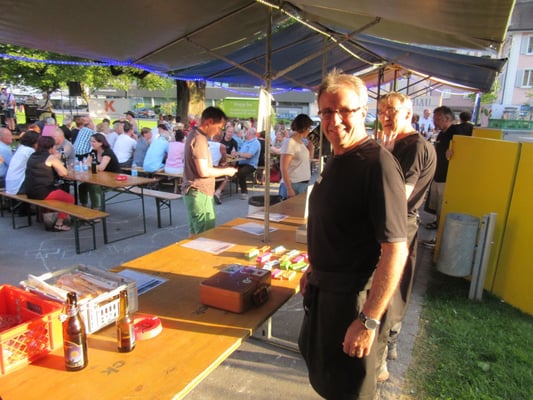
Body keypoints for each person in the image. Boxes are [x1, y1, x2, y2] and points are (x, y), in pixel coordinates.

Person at [298, 70, 408, 400]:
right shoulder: (338, 158)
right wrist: (313, 268)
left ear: (363, 112)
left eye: (345, 110)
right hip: (325, 291)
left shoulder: (378, 165)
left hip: (354, 301)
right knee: (328, 382)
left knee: (350, 390)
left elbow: (395, 250)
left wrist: (368, 321)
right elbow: (339, 226)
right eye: (327, 111)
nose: (335, 120)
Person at [375, 92, 436, 381]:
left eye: (393, 111)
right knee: (393, 287)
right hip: (395, 224)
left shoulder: (414, 146)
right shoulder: (397, 142)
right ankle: (390, 343)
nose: (386, 116)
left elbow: (399, 196)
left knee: (389, 288)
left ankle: (381, 357)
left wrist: (383, 155)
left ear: (408, 113)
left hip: (399, 226)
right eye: (381, 111)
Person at [181, 106, 237, 235]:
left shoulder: (195, 135)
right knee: (204, 236)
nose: (219, 132)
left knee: (195, 234)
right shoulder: (199, 139)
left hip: (195, 191)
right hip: (199, 192)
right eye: (219, 127)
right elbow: (204, 171)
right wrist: (226, 171)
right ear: (209, 122)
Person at [24, 136, 75, 231]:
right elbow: (63, 173)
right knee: (70, 199)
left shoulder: (33, 155)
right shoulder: (50, 158)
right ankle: (59, 224)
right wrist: (57, 159)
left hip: (30, 190)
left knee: (60, 194)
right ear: (51, 147)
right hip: (43, 191)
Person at [424, 106, 459, 242]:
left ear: (448, 119)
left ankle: (439, 239)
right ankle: (437, 230)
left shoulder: (456, 132)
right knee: (437, 206)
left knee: (443, 207)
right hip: (437, 175)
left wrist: (456, 152)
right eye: (434, 119)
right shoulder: (441, 134)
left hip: (447, 177)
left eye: (438, 119)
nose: (435, 122)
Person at [78, 133, 121, 210]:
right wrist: (92, 165)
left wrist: (90, 165)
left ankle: (95, 209)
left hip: (113, 178)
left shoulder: (107, 152)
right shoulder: (93, 151)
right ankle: (83, 206)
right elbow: (86, 163)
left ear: (101, 142)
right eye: (91, 141)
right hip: (100, 177)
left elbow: (101, 168)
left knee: (93, 186)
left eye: (94, 142)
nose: (91, 143)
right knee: (82, 186)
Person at [279, 114, 314, 200]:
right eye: (309, 128)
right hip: (293, 184)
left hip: (303, 183)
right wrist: (289, 188)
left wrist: (311, 147)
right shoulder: (290, 142)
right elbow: (283, 167)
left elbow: (308, 160)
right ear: (304, 128)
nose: (309, 131)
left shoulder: (301, 142)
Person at [234, 126, 261, 200]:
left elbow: (249, 155)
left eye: (246, 132)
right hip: (241, 162)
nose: (245, 133)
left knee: (241, 172)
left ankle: (244, 192)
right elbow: (241, 152)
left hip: (250, 164)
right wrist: (235, 153)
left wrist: (238, 153)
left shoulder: (255, 143)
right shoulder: (246, 142)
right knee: (227, 167)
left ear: (250, 134)